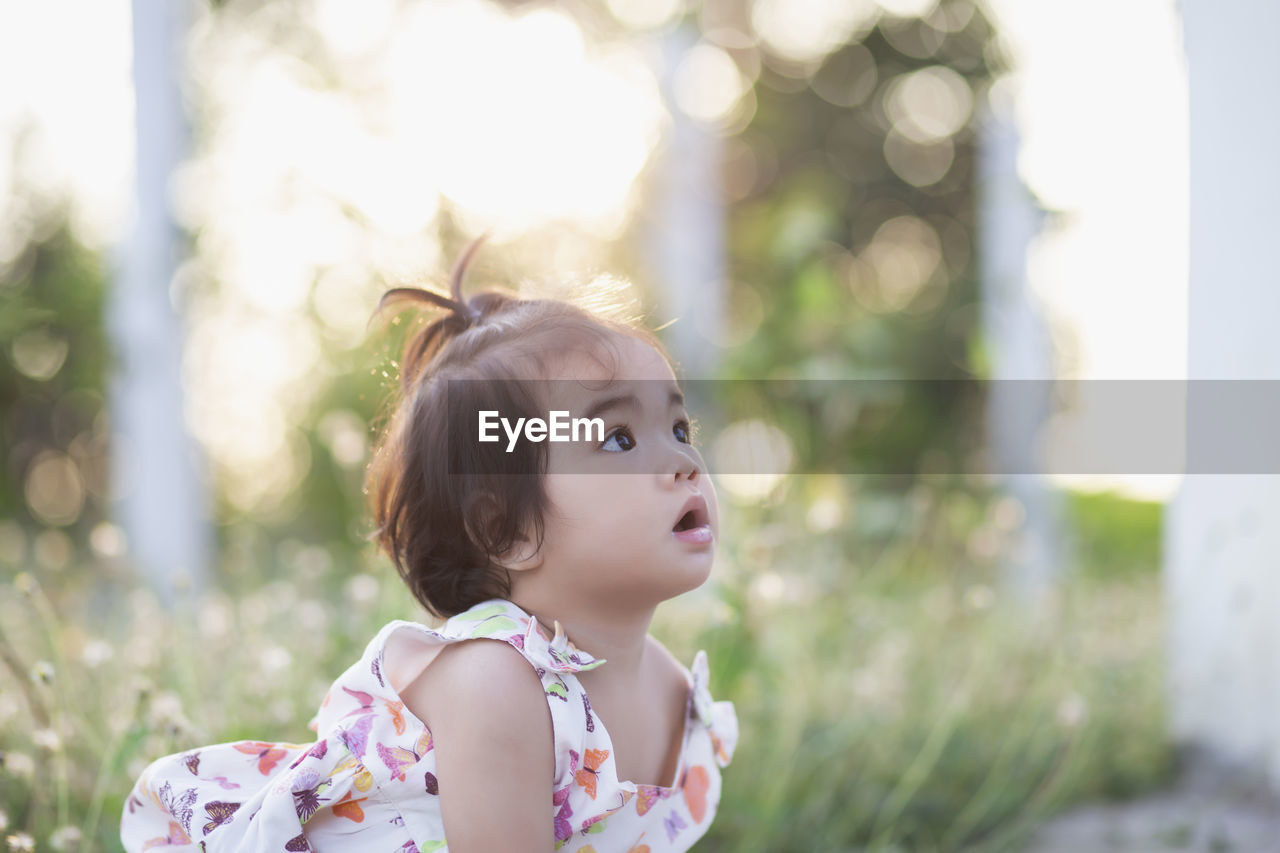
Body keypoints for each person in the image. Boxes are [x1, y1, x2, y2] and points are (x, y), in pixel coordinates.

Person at [120, 235, 738, 852]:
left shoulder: (668, 686)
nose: (683, 460)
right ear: (508, 530)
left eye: (679, 426)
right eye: (619, 440)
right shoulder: (496, 681)